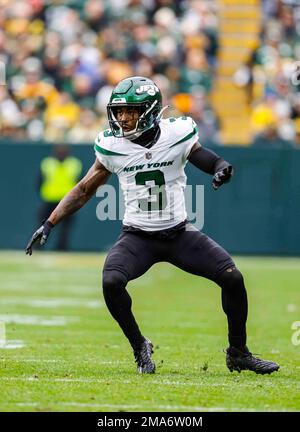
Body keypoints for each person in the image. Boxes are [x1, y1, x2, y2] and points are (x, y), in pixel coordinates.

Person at [26, 76, 280, 375]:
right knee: (111, 282)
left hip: (179, 233)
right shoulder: (112, 145)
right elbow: (83, 189)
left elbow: (205, 158)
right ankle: (139, 346)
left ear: (149, 110)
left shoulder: (177, 134)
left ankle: (239, 352)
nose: (123, 117)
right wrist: (49, 223)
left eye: (130, 111)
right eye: (119, 111)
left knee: (232, 278)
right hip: (138, 237)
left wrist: (221, 168)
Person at [38, 145, 82, 250]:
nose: (61, 154)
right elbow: (39, 181)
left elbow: (80, 183)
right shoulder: (47, 163)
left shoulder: (74, 164)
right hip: (50, 199)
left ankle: (61, 248)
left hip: (67, 201)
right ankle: (37, 247)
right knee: (43, 225)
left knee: (65, 228)